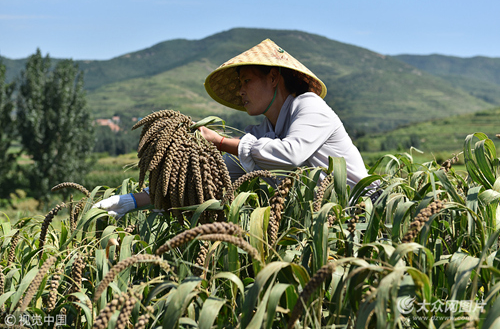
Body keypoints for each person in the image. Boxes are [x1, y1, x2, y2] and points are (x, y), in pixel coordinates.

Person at [93, 39, 377, 217]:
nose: (241, 91)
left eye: (246, 81)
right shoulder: (264, 131)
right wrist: (134, 200)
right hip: (330, 223)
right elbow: (218, 176)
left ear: (274, 77)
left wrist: (218, 141)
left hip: (368, 212)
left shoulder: (309, 106)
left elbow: (291, 154)